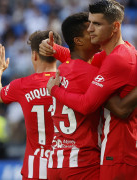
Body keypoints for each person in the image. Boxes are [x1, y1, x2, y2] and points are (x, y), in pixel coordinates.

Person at [46, 1, 136, 179]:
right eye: (90, 23)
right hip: (117, 151)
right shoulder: (114, 55)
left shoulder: (116, 60)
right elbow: (81, 61)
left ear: (115, 26)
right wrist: (54, 49)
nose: (90, 29)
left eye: (97, 24)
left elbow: (95, 105)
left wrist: (55, 91)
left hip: (118, 152)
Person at [0, 30, 62, 179]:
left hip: (36, 168)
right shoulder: (70, 82)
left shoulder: (22, 85)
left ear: (34, 55)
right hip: (67, 164)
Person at [40, 12, 101, 180]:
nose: (95, 34)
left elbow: (74, 59)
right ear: (78, 41)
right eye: (90, 32)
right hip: (83, 163)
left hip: (55, 162)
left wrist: (56, 49)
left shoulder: (62, 70)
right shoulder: (94, 74)